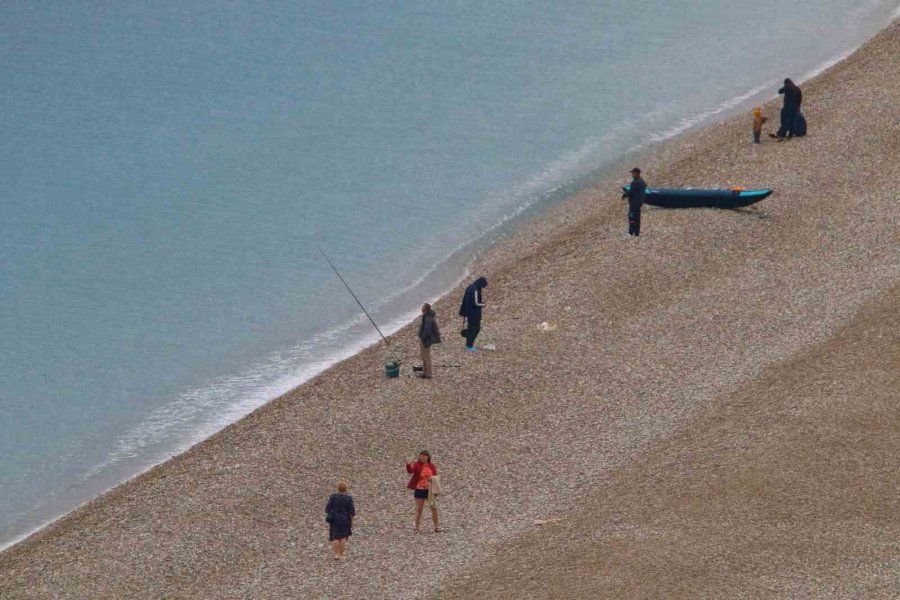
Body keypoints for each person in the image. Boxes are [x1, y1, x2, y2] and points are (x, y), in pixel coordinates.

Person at [405, 451, 439, 533]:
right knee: (419, 509)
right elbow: (410, 471)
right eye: (421, 456)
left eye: (425, 456)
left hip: (430, 489)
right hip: (419, 489)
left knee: (433, 508)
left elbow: (435, 476)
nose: (423, 457)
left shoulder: (432, 466)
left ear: (428, 457)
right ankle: (416, 528)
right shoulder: (417, 464)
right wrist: (408, 464)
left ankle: (436, 527)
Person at [325, 482, 356, 560]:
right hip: (345, 520)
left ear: (338, 488)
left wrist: (332, 513)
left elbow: (327, 508)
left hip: (335, 519)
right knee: (343, 537)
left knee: (335, 537)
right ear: (346, 489)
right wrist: (352, 522)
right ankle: (341, 554)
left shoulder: (333, 497)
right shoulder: (349, 498)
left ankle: (336, 554)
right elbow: (352, 512)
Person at [458, 277, 487, 351]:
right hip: (474, 313)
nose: (482, 288)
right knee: (476, 329)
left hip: (469, 312)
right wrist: (483, 304)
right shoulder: (475, 290)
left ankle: (468, 344)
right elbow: (476, 303)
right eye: (482, 286)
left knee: (470, 328)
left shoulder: (470, 287)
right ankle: (469, 346)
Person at [417, 303, 441, 379]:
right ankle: (424, 372)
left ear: (426, 309)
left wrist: (423, 339)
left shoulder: (428, 318)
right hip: (424, 339)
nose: (421, 308)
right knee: (423, 356)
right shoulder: (426, 316)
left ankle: (429, 374)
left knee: (427, 357)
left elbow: (427, 331)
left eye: (423, 307)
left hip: (426, 340)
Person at [621, 167, 646, 237]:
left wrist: (624, 195)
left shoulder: (635, 182)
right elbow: (636, 191)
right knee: (637, 217)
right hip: (639, 203)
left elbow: (631, 192)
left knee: (631, 217)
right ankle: (637, 233)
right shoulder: (642, 181)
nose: (632, 174)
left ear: (636, 173)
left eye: (633, 173)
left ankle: (630, 233)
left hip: (634, 203)